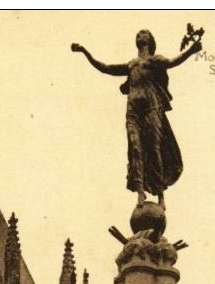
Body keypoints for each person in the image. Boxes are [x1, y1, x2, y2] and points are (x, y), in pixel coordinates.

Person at [72, 30, 202, 209]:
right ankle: (140, 191)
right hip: (133, 109)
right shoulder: (131, 64)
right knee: (135, 148)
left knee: (154, 149)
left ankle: (160, 194)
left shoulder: (155, 60)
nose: (140, 35)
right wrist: (85, 52)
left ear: (150, 41)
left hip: (152, 107)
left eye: (144, 34)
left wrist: (192, 50)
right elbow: (106, 68)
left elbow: (173, 62)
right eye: (139, 34)